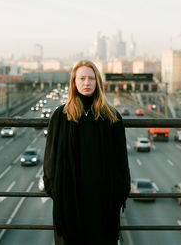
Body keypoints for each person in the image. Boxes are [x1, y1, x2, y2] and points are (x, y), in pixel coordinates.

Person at [43, 60, 131, 245]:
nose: (86, 83)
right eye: (81, 78)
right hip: (68, 203)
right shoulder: (60, 116)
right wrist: (55, 191)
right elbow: (50, 158)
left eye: (91, 78)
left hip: (102, 204)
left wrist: (118, 195)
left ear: (97, 82)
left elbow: (121, 162)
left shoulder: (112, 117)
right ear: (74, 83)